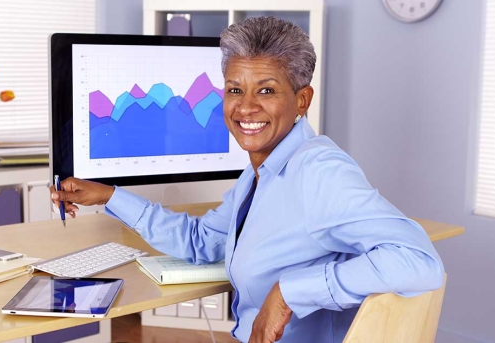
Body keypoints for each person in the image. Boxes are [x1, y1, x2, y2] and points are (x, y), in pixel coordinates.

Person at [51, 16, 444, 343]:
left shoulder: (319, 171)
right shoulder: (262, 171)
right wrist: (109, 195)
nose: (246, 107)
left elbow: (419, 262)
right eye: (235, 89)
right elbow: (202, 242)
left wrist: (290, 292)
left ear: (302, 100)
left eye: (267, 90)